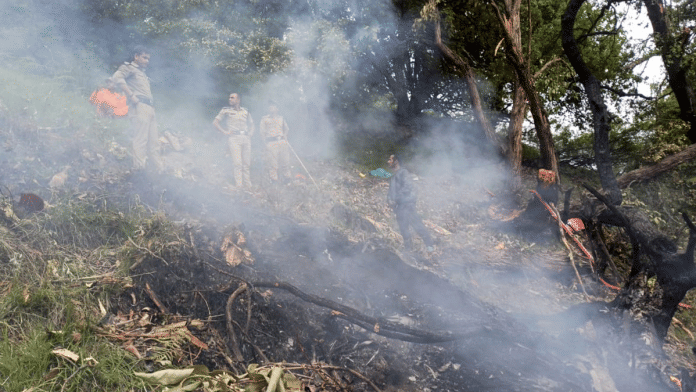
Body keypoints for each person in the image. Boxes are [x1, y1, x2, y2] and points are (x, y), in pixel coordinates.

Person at [109, 46, 163, 172]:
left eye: (148, 58)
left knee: (154, 143)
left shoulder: (142, 73)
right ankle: (139, 170)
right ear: (136, 56)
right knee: (141, 139)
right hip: (139, 106)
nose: (147, 61)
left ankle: (160, 171)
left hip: (149, 108)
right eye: (144, 57)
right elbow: (116, 78)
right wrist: (131, 95)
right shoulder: (129, 68)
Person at [386, 154, 435, 252]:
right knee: (403, 229)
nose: (388, 161)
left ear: (396, 161)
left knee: (417, 225)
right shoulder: (393, 177)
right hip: (399, 207)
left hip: (407, 204)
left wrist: (396, 198)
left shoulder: (404, 172)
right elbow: (390, 193)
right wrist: (389, 200)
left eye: (390, 159)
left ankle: (430, 247)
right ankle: (408, 250)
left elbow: (407, 187)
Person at [213, 93, 255, 188]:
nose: (230, 99)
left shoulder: (245, 111)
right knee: (237, 163)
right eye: (229, 97)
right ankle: (239, 185)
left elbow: (252, 124)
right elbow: (215, 122)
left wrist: (250, 134)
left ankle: (248, 185)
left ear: (238, 100)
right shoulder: (225, 111)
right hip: (234, 138)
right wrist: (224, 132)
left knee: (246, 163)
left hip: (245, 137)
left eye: (232, 98)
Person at [259, 102, 290, 184]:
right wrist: (265, 143)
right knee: (273, 164)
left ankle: (287, 180)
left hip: (282, 141)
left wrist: (285, 136)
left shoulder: (281, 118)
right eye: (270, 107)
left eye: (273, 107)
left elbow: (286, 129)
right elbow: (262, 132)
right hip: (271, 142)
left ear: (277, 109)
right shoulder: (264, 119)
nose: (271, 109)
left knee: (285, 162)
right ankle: (274, 181)